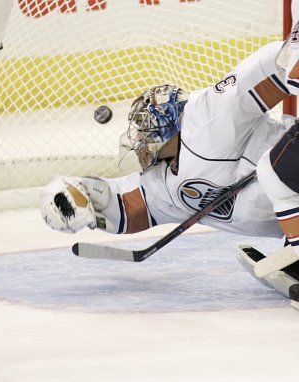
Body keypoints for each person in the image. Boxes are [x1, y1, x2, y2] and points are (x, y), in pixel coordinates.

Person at [40, 38, 299, 305]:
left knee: (274, 175)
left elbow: (268, 67)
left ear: (168, 120)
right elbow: (125, 207)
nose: (140, 136)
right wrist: (80, 198)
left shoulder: (206, 116)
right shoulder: (162, 185)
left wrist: (295, 51)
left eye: (145, 125)